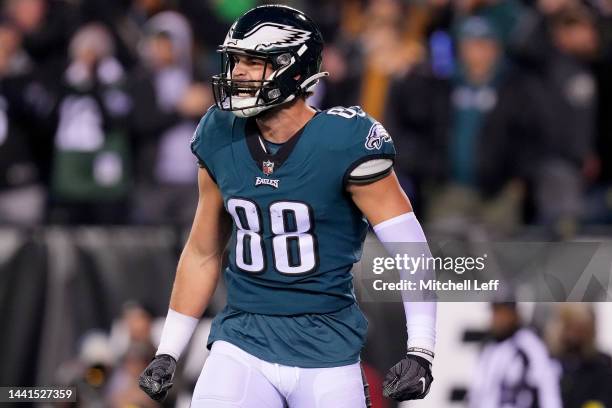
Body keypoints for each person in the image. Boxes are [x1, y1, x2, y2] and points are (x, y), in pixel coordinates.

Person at [138, 5, 436, 407]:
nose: (238, 72)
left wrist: (422, 350)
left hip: (327, 351)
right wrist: (168, 349)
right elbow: (204, 250)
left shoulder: (343, 140)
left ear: (292, 69)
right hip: (242, 341)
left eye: (253, 61)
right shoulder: (218, 132)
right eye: (236, 60)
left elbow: (411, 250)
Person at [468, 303, 562, 408]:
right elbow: (478, 393)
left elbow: (546, 386)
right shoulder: (489, 350)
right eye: (495, 313)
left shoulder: (528, 345)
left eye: (502, 313)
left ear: (514, 314)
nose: (497, 319)